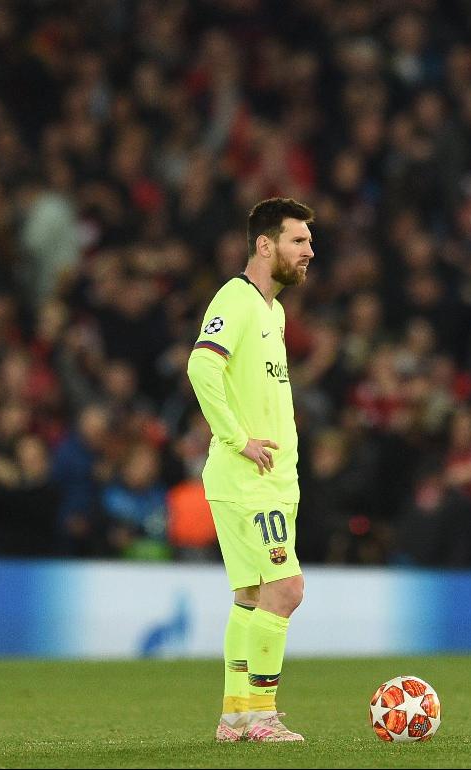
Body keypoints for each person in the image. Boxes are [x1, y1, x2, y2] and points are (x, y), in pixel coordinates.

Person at [186, 198, 316, 743]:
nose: (310, 252)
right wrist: (238, 440)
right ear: (265, 246)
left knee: (252, 597)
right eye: (299, 241)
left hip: (269, 480)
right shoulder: (235, 299)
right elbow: (201, 365)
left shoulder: (274, 310)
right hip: (248, 481)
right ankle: (262, 716)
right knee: (286, 590)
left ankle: (236, 715)